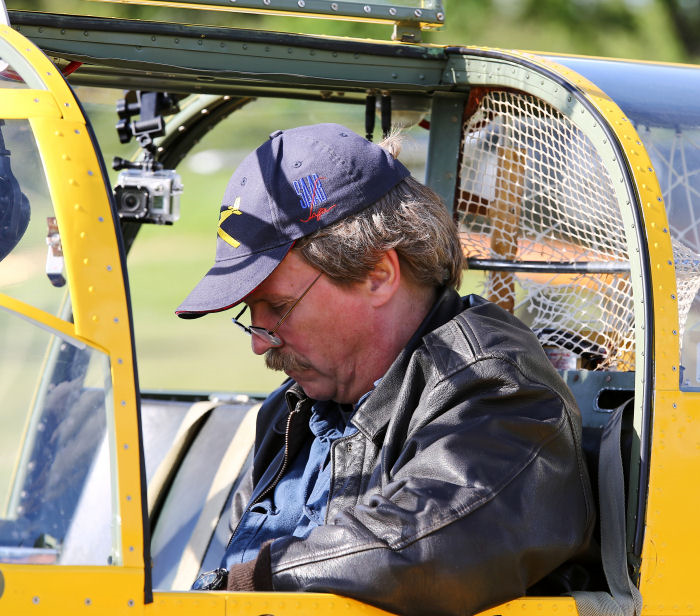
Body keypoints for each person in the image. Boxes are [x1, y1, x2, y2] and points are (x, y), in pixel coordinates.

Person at [176, 123, 595, 616]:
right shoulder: (290, 410)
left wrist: (251, 584)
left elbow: (426, 547)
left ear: (378, 275)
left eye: (278, 306)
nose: (258, 341)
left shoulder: (497, 387)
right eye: (250, 314)